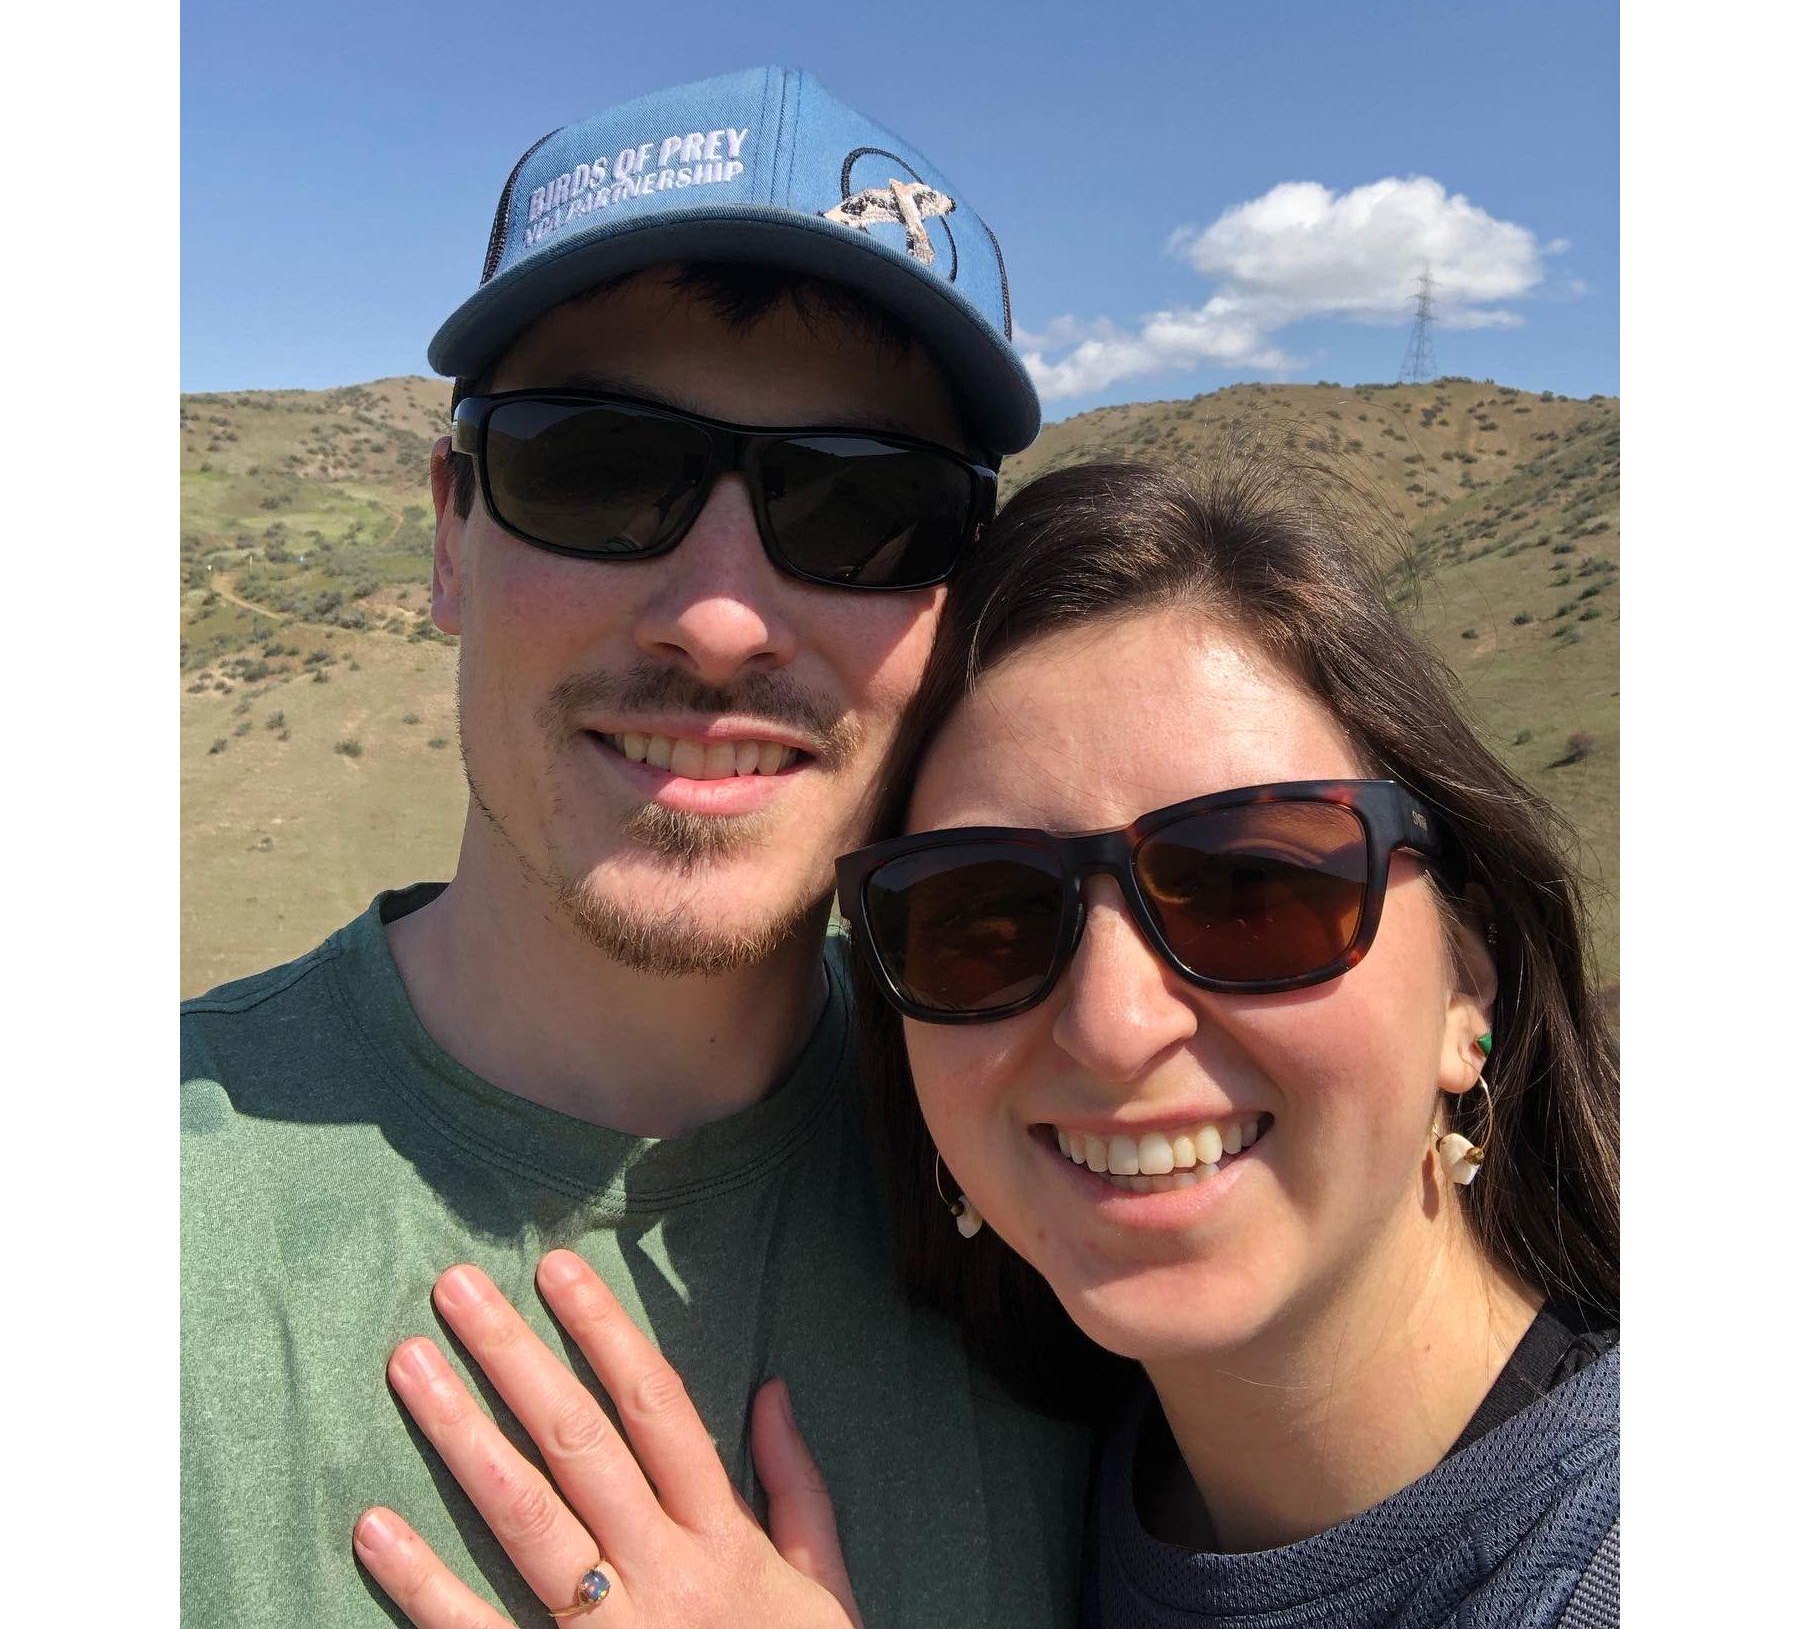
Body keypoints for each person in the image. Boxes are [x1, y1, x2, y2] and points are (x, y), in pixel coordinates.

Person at [346, 455, 1618, 1629]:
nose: (1113, 1026)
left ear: (1469, 976)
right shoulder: (1081, 1479)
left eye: (1252, 889)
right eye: (985, 917)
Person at [180, 67, 1092, 1628]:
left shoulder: (1080, 1178)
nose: (723, 616)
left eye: (863, 507)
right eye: (599, 470)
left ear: (955, 606)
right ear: (451, 531)